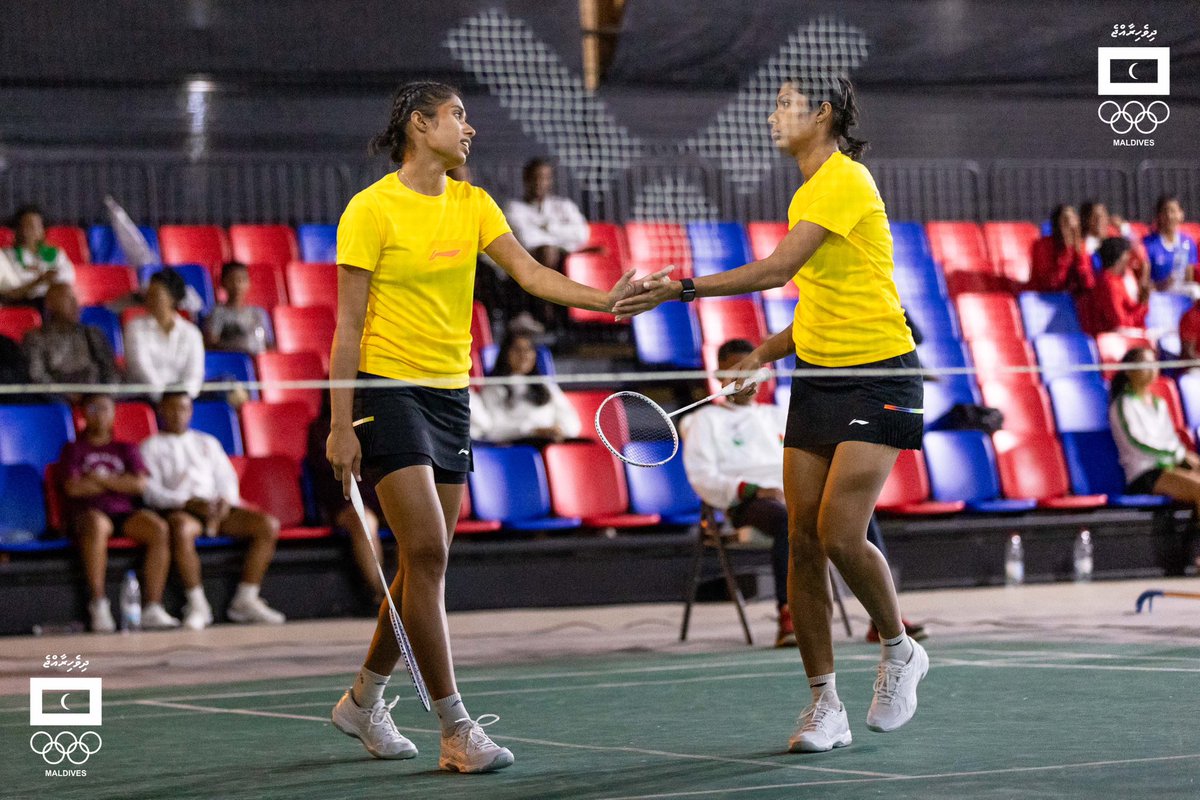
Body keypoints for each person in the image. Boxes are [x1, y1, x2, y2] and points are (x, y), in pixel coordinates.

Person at [325, 80, 659, 773]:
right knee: (429, 555)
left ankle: (363, 699)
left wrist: (604, 300)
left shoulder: (473, 203)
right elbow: (347, 326)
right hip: (387, 390)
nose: (469, 128)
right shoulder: (370, 210)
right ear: (420, 126)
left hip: (453, 393)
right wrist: (339, 424)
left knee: (422, 565)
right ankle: (455, 727)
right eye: (457, 116)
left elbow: (532, 273)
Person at [615, 75, 928, 754]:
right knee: (804, 545)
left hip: (880, 374)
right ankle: (825, 705)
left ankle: (900, 648)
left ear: (822, 114)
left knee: (841, 532)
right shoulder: (808, 193)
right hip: (818, 377)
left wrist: (682, 288)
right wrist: (761, 351)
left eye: (783, 105)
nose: (770, 116)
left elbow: (779, 271)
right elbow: (817, 302)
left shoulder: (846, 180)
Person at [140, 391, 286, 630]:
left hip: (217, 508)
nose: (178, 414)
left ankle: (246, 598)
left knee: (267, 525)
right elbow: (151, 492)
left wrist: (222, 505)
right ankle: (197, 604)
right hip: (181, 510)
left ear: (190, 412)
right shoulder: (150, 447)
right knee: (182, 529)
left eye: (183, 409)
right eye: (172, 409)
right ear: (161, 411)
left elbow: (226, 479)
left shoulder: (207, 442)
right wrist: (188, 503)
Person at [60, 394, 178, 632]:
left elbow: (139, 485)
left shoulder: (126, 448)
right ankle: (99, 603)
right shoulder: (74, 449)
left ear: (113, 413)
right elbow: (73, 488)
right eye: (93, 408)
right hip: (89, 513)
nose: (100, 414)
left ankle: (152, 607)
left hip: (124, 512)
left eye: (105, 408)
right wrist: (118, 481)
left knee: (159, 529)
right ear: (83, 414)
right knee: (97, 525)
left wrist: (97, 479)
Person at [1109, 348, 1200, 572]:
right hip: (1144, 473)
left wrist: (1187, 458)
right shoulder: (1123, 405)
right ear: (1130, 371)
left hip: (1168, 468)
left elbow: (1170, 439)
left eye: (1154, 364)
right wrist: (1179, 456)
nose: (1152, 370)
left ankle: (1191, 552)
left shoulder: (1159, 404)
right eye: (1145, 365)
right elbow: (1138, 441)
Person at [305, 394, 388, 610]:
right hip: (344, 500)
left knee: (412, 518)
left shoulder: (373, 426)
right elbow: (334, 472)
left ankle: (412, 593)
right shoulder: (322, 430)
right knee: (364, 522)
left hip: (379, 495)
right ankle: (380, 596)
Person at [502, 158, 591, 333]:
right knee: (546, 252)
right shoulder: (514, 208)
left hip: (563, 261)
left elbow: (581, 234)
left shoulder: (564, 206)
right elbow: (528, 239)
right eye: (535, 177)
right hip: (528, 263)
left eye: (545, 177)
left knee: (553, 253)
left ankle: (554, 317)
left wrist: (548, 227)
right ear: (526, 180)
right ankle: (546, 315)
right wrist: (561, 235)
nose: (539, 182)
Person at [472, 331, 581, 444]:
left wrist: (560, 429)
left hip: (553, 444)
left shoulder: (546, 385)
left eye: (528, 350)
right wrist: (532, 431)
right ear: (505, 354)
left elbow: (570, 419)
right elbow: (494, 430)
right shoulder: (494, 388)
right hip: (520, 447)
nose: (523, 355)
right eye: (517, 350)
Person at [24, 283, 121, 395]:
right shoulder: (36, 338)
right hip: (56, 399)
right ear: (49, 304)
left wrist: (104, 393)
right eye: (68, 299)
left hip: (96, 394)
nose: (75, 304)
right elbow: (36, 377)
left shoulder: (92, 333)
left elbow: (110, 370)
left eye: (76, 299)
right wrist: (66, 394)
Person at [125, 269, 206, 399]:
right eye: (148, 294)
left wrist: (182, 397)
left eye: (155, 295)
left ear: (172, 298)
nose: (149, 299)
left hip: (183, 401)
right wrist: (164, 398)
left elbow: (194, 375)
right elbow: (141, 369)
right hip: (147, 396)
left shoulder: (192, 333)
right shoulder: (135, 328)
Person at [0, 204, 75, 305]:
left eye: (33, 226)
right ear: (16, 230)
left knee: (62, 294)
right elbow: (12, 292)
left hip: (52, 300)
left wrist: (50, 277)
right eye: (23, 226)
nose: (27, 232)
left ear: (42, 230)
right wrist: (40, 280)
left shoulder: (56, 254)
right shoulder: (6, 256)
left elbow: (67, 277)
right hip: (22, 302)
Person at [1078, 237, 1149, 336]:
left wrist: (1142, 302)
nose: (1130, 262)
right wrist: (1143, 305)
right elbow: (1120, 324)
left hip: (1123, 334)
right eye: (1128, 256)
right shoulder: (1108, 284)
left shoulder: (1116, 280)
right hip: (1112, 339)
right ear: (1122, 258)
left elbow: (1129, 311)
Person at [205, 262, 274, 354]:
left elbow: (268, 343)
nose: (237, 285)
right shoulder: (218, 313)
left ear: (249, 283)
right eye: (232, 280)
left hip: (259, 360)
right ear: (223, 283)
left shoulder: (259, 313)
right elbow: (211, 344)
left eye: (242, 280)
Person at [1027, 205, 1093, 294]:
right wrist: (1066, 251)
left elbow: (1088, 283)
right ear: (1057, 225)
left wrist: (1079, 252)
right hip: (1043, 296)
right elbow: (1049, 283)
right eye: (1065, 222)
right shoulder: (1042, 245)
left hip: (1070, 297)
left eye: (1074, 219)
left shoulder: (1079, 245)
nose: (1071, 227)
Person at [1143, 195, 1199, 292]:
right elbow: (1143, 286)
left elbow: (1189, 280)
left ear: (1181, 215)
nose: (1169, 216)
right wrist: (1162, 285)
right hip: (1158, 298)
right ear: (1159, 216)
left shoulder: (1188, 243)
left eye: (1173, 211)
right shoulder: (1148, 244)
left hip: (1181, 297)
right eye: (1165, 212)